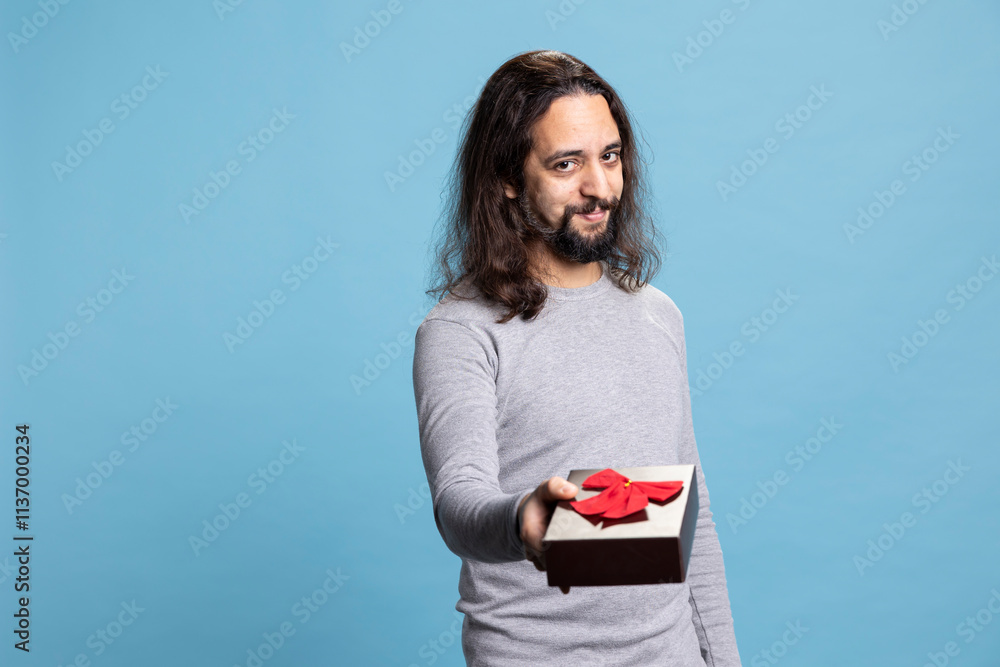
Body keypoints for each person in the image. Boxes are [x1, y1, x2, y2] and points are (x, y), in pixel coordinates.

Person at [411, 49, 742, 666]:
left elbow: (694, 528)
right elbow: (458, 502)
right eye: (567, 164)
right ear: (508, 177)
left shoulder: (658, 315)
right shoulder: (460, 332)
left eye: (610, 156)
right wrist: (519, 520)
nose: (599, 189)